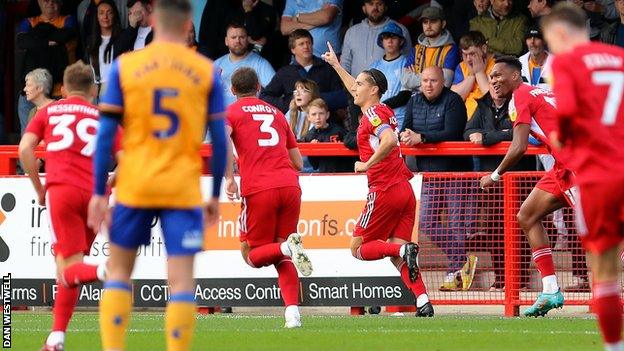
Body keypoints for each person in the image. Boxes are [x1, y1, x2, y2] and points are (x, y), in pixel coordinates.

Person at [87, 1, 228, 350]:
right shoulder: (205, 69)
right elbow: (221, 140)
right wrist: (213, 194)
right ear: (187, 26)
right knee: (180, 280)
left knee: (119, 272)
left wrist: (99, 192)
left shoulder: (125, 66)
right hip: (181, 186)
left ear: (151, 21)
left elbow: (105, 137)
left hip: (136, 182)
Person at [322, 42, 434, 317]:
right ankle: (423, 302)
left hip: (384, 189)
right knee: (398, 257)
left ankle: (405, 248)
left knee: (358, 248)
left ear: (373, 90)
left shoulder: (372, 114)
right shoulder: (378, 111)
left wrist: (367, 163)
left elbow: (389, 139)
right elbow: (359, 95)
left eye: (360, 83)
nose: (354, 87)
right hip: (404, 191)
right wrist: (337, 66)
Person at [542, 3, 624, 349]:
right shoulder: (619, 57)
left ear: (560, 33)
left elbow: (566, 127)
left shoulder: (565, 63)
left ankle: (614, 347)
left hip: (599, 177)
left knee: (604, 271)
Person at [19, 62, 110, 351]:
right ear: (94, 90)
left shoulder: (48, 111)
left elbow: (24, 150)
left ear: (62, 89)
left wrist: (39, 189)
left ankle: (104, 270)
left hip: (62, 192)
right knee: (71, 267)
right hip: (96, 195)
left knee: (68, 267)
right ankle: (56, 337)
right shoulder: (103, 117)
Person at [479, 55, 572, 317]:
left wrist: (494, 176)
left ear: (515, 76)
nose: (494, 80)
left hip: (580, 164)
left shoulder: (520, 96)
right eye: (491, 76)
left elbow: (518, 147)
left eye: (498, 75)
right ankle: (551, 289)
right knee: (527, 215)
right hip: (563, 166)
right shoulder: (542, 91)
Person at [224, 67, 312, 328]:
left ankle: (287, 247)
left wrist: (229, 178)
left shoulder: (232, 112)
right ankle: (292, 314)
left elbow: (222, 139)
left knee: (251, 254)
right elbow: (297, 161)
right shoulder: (277, 113)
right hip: (289, 186)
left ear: (233, 90)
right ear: (259, 87)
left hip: (259, 189)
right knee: (281, 253)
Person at [400, 66, 478, 292]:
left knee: (456, 225)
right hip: (429, 174)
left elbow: (452, 132)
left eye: (433, 80)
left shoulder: (453, 100)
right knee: (426, 221)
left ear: (442, 81)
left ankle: (455, 272)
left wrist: (421, 137)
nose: (428, 85)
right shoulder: (414, 101)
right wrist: (406, 134)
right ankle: (462, 259)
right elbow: (406, 127)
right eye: (424, 80)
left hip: (454, 173)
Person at [16, 0, 78, 134]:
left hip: (59, 92)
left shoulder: (68, 20)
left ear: (61, 3)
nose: (50, 3)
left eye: (55, 0)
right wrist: (47, 42)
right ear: (38, 2)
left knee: (56, 136)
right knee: (28, 136)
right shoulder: (30, 21)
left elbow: (66, 35)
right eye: (46, 0)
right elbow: (21, 41)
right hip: (31, 92)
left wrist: (36, 39)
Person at [259, 29, 346, 113]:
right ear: (293, 50)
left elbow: (342, 96)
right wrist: (290, 102)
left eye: (308, 43)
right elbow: (265, 97)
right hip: (295, 122)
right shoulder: (284, 72)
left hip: (324, 120)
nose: (306, 46)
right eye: (301, 44)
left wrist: (315, 98)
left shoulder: (327, 68)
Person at [341, 0, 411, 77]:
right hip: (356, 86)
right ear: (364, 8)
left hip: (390, 87)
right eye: (371, 4)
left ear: (385, 7)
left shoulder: (400, 30)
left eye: (379, 4)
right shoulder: (352, 32)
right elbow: (345, 64)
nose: (375, 7)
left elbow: (408, 63)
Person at [214, 23, 275, 108]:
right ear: (226, 41)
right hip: (222, 117)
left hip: (249, 115)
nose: (237, 41)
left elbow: (275, 91)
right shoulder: (216, 64)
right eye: (233, 37)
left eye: (242, 37)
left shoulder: (260, 63)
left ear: (248, 40)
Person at [402, 6, 461, 90]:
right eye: (425, 22)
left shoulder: (451, 49)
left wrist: (416, 78)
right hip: (414, 97)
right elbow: (405, 80)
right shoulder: (416, 48)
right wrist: (434, 78)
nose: (428, 26)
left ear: (443, 24)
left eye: (433, 21)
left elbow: (446, 82)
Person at [451, 31, 496, 119]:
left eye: (472, 54)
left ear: (484, 48)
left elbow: (493, 100)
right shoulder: (462, 66)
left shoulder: (498, 65)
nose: (468, 59)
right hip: (465, 119)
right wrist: (472, 75)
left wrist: (479, 73)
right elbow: (454, 99)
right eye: (465, 54)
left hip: (488, 118)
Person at [84, 0, 123, 101]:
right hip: (94, 89)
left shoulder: (121, 39)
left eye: (109, 12)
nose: (105, 17)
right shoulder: (90, 40)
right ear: (96, 17)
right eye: (101, 13)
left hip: (113, 88)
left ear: (114, 15)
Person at [302, 98, 352, 173]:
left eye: (321, 113)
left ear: (327, 115)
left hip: (343, 172)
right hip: (324, 175)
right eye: (314, 114)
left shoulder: (338, 130)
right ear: (308, 117)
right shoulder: (309, 136)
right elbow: (315, 165)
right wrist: (313, 151)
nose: (318, 117)